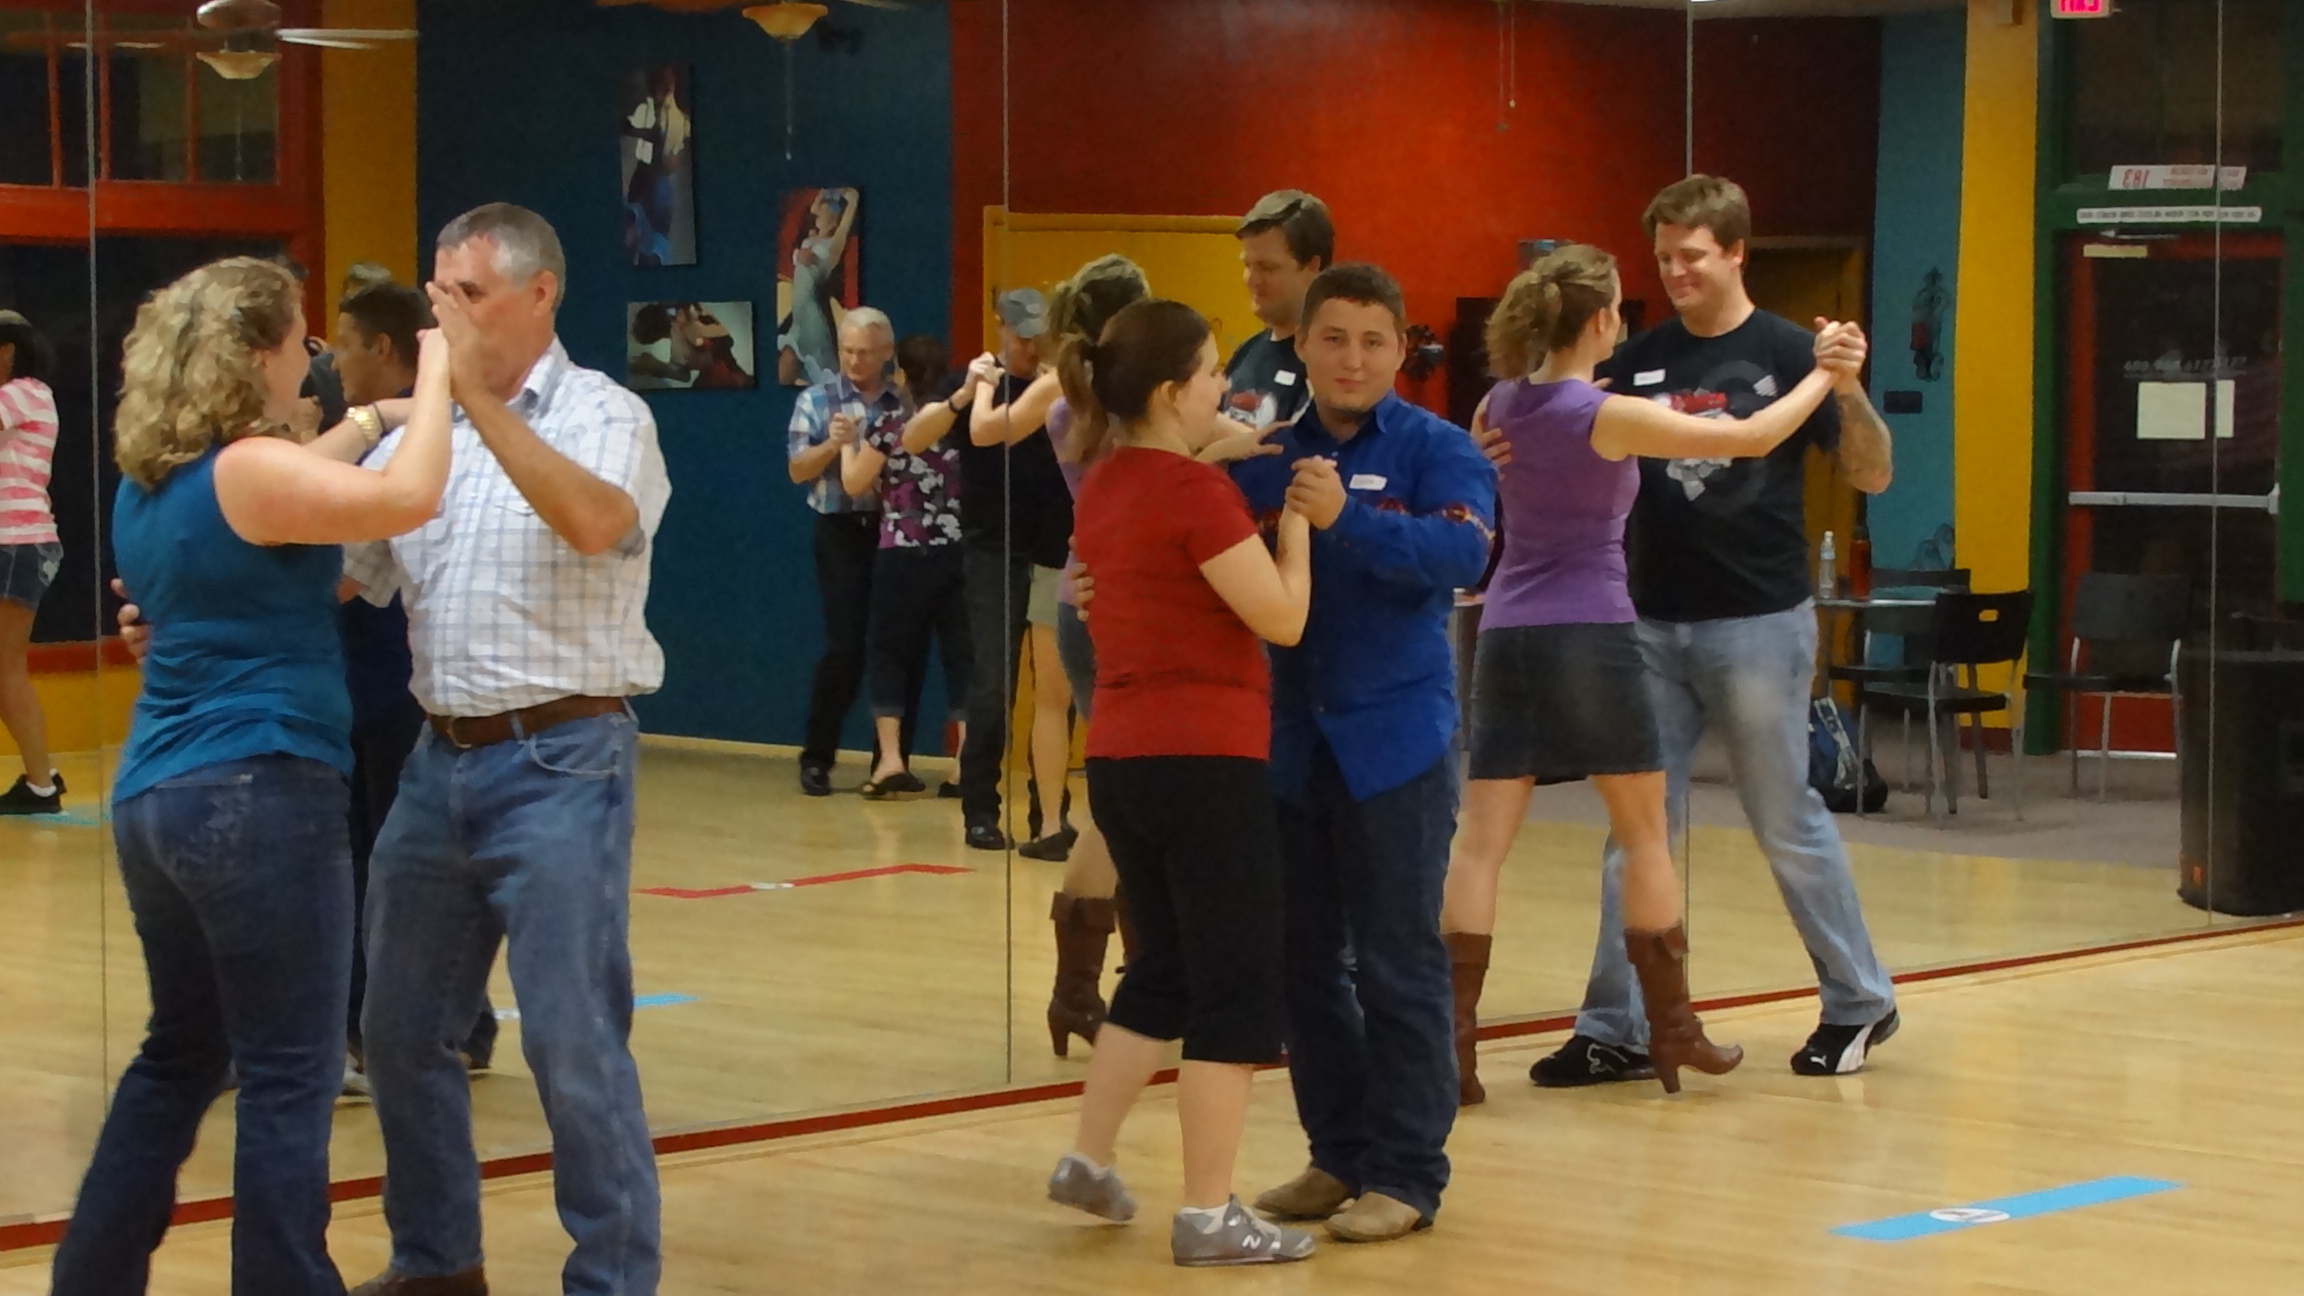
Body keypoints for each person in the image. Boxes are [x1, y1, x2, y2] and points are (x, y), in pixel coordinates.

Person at [53, 255, 453, 1296]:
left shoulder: (155, 486)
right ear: (257, 354)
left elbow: (296, 485)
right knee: (289, 1074)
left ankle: (89, 1279)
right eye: (301, 340)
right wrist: (441, 368)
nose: (314, 356)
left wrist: (367, 418)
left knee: (177, 1056)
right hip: (259, 794)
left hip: (158, 798)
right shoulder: (247, 474)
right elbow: (409, 498)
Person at [1439, 244, 1859, 1103]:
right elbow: (1751, 437)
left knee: (1479, 846)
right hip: (1594, 633)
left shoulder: (1499, 403)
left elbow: (1482, 466)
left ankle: (1452, 1051)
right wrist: (1825, 375)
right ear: (1601, 322)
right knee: (1644, 837)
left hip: (1509, 634)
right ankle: (1673, 1031)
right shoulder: (1605, 411)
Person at [341, 203, 670, 1296]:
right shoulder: (418, 436)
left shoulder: (604, 411)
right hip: (439, 765)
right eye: (438, 293)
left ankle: (611, 1279)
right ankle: (437, 1265)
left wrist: (472, 400)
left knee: (573, 1045)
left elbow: (591, 521)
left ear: (541, 295)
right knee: (397, 1032)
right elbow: (343, 570)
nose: (443, 314)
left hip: (565, 763)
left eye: (466, 294)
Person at [1528, 175, 1901, 1089]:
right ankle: (1615, 1022)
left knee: (1785, 817)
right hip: (1652, 622)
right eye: (1663, 258)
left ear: (1736, 251)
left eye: (1692, 255)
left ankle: (1859, 999)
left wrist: (1846, 390)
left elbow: (1873, 474)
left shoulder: (1793, 351)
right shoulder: (1639, 354)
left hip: (1759, 623)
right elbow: (1558, 418)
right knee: (1637, 830)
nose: (1677, 271)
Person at [1202, 263, 1493, 1245]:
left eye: (1374, 341)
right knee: (1300, 964)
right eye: (1334, 339)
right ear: (1304, 347)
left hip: (1396, 742)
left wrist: (1349, 520)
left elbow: (1462, 559)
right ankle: (1339, 1155)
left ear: (1401, 349)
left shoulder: (1439, 450)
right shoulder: (1262, 453)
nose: (1353, 358)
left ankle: (1409, 1174)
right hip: (1285, 745)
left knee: (1399, 963)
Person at [1043, 297, 1317, 1268]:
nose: (1223, 389)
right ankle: (1208, 1213)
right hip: (1206, 760)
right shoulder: (1195, 497)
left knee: (1160, 972)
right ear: (1172, 391)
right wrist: (1299, 531)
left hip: (1122, 760)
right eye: (1210, 374)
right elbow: (1281, 618)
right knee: (1238, 985)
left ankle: (1089, 1157)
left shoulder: (1106, 484)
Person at [325, 279, 498, 1094]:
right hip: (366, 688)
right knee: (382, 860)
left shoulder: (405, 444)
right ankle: (442, 1024)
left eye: (347, 343)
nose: (334, 358)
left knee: (388, 863)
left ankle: (434, 1025)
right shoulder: (379, 438)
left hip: (395, 690)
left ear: (386, 351)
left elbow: (349, 580)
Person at [986, 255, 1157, 1053]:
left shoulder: (1062, 386)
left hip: (1077, 594)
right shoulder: (1133, 399)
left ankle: (1080, 993)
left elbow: (991, 432)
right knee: (1146, 804)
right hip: (1127, 600)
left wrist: (983, 388)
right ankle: (1138, 979)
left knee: (1121, 808)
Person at [901, 289, 1072, 852]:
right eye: (1018, 334)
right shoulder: (977, 381)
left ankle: (1051, 814)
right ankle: (980, 806)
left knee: (1053, 686)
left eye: (1037, 334)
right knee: (992, 682)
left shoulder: (1059, 382)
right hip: (990, 548)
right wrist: (964, 396)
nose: (1028, 345)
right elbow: (913, 438)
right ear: (1001, 329)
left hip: (1053, 547)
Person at [839, 309, 971, 796]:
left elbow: (855, 483)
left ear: (900, 373)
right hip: (958, 552)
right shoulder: (962, 425)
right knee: (964, 658)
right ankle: (964, 765)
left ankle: (890, 761)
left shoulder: (891, 423)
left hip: (901, 551)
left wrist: (848, 445)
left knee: (889, 653)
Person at [788, 309, 914, 797]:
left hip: (894, 529)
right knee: (845, 645)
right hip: (838, 529)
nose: (855, 361)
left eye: (865, 352)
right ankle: (817, 758)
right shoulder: (816, 399)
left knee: (895, 644)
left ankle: (891, 761)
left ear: (886, 352)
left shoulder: (901, 402)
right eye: (847, 351)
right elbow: (798, 470)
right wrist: (831, 445)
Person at [0, 309, 65, 814]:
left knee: (6, 666)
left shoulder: (21, 393)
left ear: (7, 351)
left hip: (15, 543)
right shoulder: (27, 396)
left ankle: (41, 784)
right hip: (18, 543)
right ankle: (43, 777)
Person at [1223, 190, 1331, 433]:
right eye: (1247, 265)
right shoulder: (1247, 352)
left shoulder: (1331, 363)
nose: (1252, 280)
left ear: (1312, 266)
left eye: (1268, 268)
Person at [781, 187, 859, 386]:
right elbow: (816, 205)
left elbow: (847, 216)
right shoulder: (810, 238)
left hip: (812, 320)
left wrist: (850, 199)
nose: (816, 213)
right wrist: (827, 193)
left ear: (834, 217)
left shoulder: (834, 244)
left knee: (824, 383)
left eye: (823, 211)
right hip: (799, 318)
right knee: (786, 372)